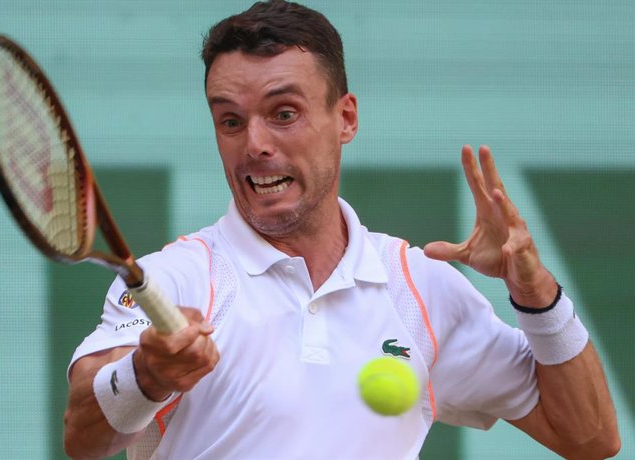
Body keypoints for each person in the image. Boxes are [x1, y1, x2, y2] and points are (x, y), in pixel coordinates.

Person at [63, 1, 621, 459]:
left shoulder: (420, 286)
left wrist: (536, 296)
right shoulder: (178, 278)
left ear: (345, 118)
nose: (254, 143)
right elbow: (83, 437)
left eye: (283, 113)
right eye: (230, 121)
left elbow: (590, 439)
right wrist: (147, 373)